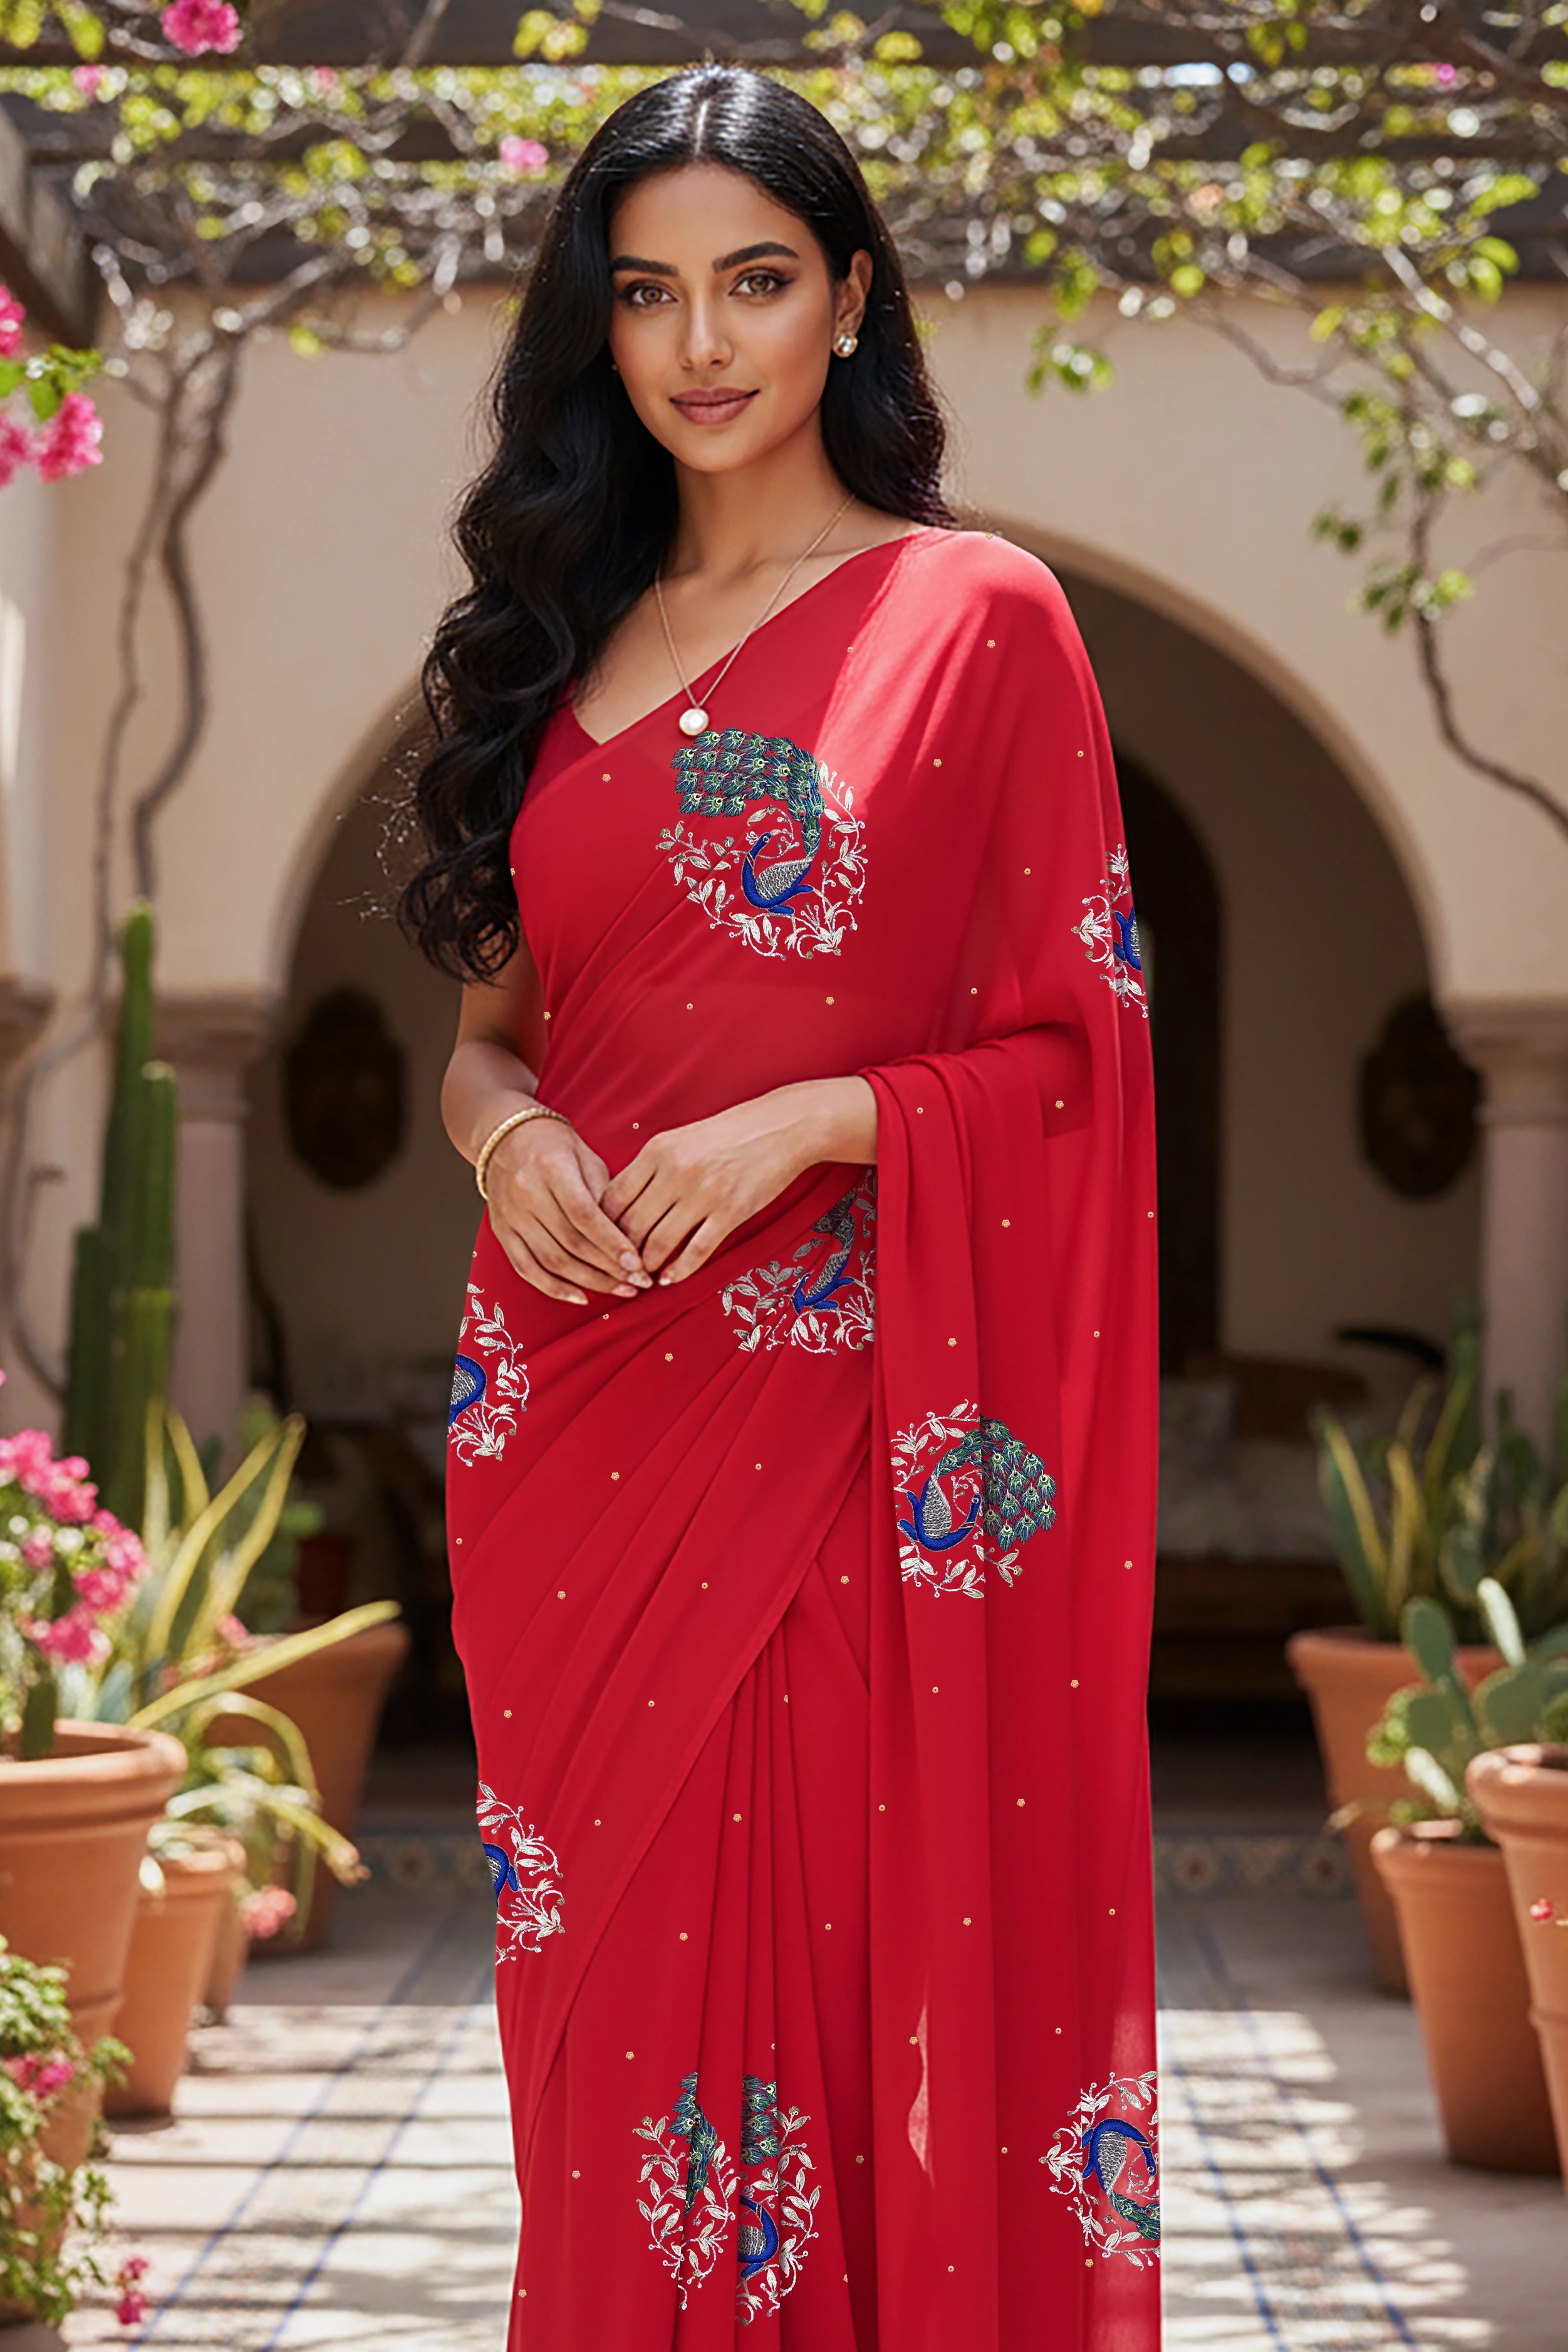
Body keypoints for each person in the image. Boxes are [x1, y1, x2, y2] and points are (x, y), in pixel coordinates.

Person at [402, 61, 1158, 2351]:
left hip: (852, 1437)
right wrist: (505, 1134)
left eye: (756, 281)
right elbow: (490, 1036)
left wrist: (824, 1121)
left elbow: (1078, 1055)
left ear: (851, 301)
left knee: (841, 1993)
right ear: (595, 327)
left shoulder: (974, 618)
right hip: (574, 1421)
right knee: (606, 2034)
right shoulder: (555, 643)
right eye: (648, 294)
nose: (702, 344)